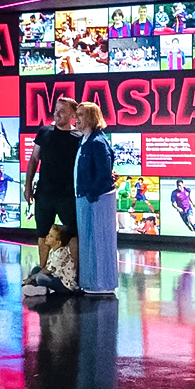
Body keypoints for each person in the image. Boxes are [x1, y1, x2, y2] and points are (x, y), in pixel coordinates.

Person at [24, 97, 81, 275]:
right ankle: (42, 270)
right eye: (56, 109)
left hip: (68, 195)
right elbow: (34, 159)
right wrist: (28, 186)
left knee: (72, 233)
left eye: (62, 110)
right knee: (42, 233)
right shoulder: (44, 132)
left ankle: (75, 274)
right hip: (44, 193)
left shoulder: (78, 137)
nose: (57, 113)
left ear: (72, 115)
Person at [73, 102, 118, 296]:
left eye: (81, 115)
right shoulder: (85, 139)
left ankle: (101, 283)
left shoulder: (98, 142)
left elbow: (103, 174)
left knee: (98, 242)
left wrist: (91, 194)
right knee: (89, 242)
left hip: (96, 200)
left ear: (91, 117)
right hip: (86, 197)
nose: (77, 119)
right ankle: (91, 281)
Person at [23, 225, 80, 297]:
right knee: (36, 269)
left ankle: (43, 289)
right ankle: (39, 287)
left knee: (40, 278)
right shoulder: (53, 251)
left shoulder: (61, 254)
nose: (47, 236)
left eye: (51, 236)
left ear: (58, 242)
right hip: (56, 276)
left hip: (65, 286)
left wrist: (31, 278)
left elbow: (48, 270)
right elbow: (47, 268)